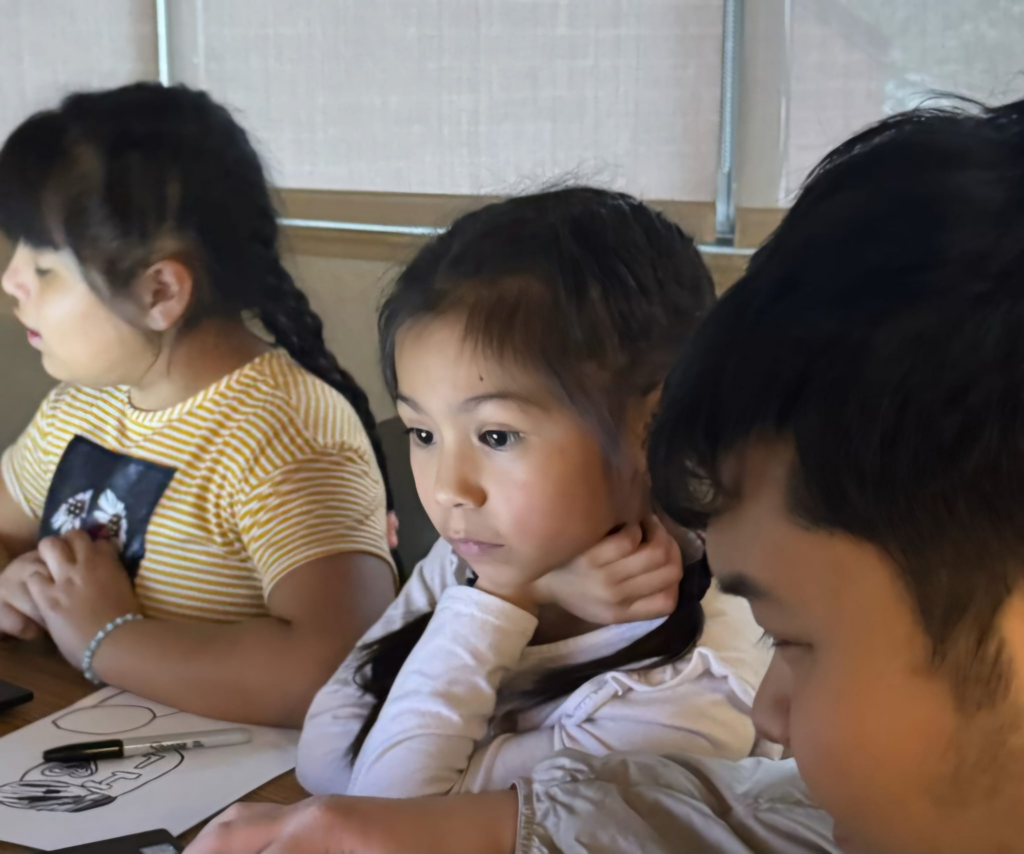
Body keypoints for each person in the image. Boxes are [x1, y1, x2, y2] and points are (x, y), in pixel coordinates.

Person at [186, 97, 1024, 853]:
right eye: (421, 433)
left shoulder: (699, 676)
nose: (771, 720)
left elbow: (389, 799)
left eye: (793, 640)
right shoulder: (480, 566)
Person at [296, 187, 775, 798]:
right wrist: (523, 592)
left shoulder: (689, 692)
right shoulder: (485, 558)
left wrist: (499, 600)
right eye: (423, 433)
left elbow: (391, 814)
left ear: (654, 425)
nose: (448, 489)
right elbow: (325, 751)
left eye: (496, 435)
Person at [0, 84, 397, 727]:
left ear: (159, 290)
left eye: (45, 268)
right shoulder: (77, 405)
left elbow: (335, 668)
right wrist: (13, 582)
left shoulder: (286, 434)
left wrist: (109, 638)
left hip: (229, 777)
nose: (10, 281)